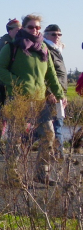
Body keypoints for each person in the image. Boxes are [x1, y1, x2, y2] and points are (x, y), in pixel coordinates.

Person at [0, 14, 65, 185]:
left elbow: (51, 75)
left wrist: (60, 95)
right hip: (19, 100)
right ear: (23, 28)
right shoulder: (12, 47)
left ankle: (42, 173)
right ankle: (11, 176)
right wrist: (17, 83)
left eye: (38, 27)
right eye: (31, 27)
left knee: (49, 135)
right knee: (15, 139)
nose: (35, 30)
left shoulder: (43, 49)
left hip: (40, 101)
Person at [0, 18, 21, 154]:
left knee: (4, 116)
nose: (20, 32)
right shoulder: (6, 44)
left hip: (3, 84)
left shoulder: (8, 42)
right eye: (18, 30)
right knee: (2, 116)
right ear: (11, 30)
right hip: (3, 86)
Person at [43, 24, 67, 156]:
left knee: (51, 123)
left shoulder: (57, 50)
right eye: (53, 34)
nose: (57, 37)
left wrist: (63, 94)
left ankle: (23, 145)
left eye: (59, 34)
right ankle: (59, 153)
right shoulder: (46, 49)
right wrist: (49, 92)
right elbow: (45, 74)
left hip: (59, 92)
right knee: (56, 123)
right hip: (51, 94)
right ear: (45, 35)